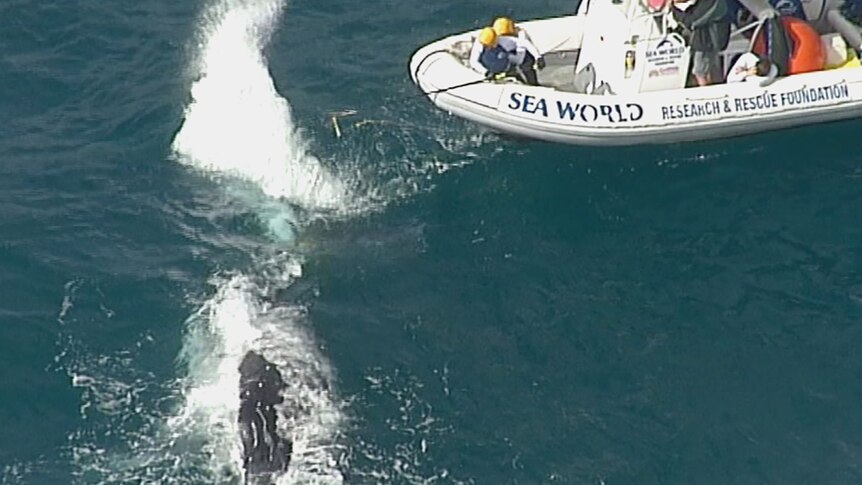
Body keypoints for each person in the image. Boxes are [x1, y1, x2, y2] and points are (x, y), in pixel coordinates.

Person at [672, 0, 732, 86]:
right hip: (701, 42)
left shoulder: (712, 3)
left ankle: (706, 94)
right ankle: (710, 92)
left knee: (700, 72)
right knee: (705, 71)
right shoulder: (685, 7)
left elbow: (694, 21)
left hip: (707, 41)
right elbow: (685, 21)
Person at [492, 17, 545, 84]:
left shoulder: (521, 35)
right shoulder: (496, 38)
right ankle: (518, 81)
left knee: (527, 68)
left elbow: (529, 45)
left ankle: (533, 84)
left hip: (524, 56)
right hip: (509, 57)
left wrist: (538, 57)